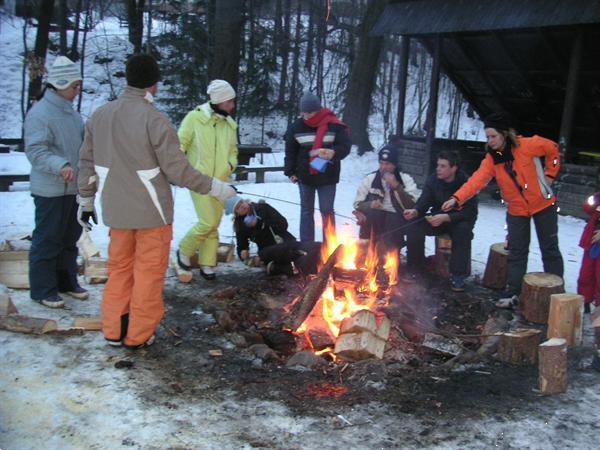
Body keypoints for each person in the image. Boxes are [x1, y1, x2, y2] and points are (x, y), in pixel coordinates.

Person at [77, 54, 236, 349]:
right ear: (154, 83)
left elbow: (86, 162)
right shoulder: (154, 119)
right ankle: (137, 335)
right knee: (148, 275)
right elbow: (178, 170)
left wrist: (86, 200)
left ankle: (114, 330)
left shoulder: (99, 115)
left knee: (120, 270)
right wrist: (216, 188)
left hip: (116, 211)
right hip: (152, 214)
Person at [441, 114, 563, 305]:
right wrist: (457, 198)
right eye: (487, 137)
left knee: (549, 248)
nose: (490, 141)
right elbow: (476, 181)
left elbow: (553, 150)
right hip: (516, 209)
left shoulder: (528, 145)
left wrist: (550, 174)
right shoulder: (492, 159)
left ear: (505, 134)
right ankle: (513, 291)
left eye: (493, 136)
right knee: (517, 251)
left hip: (543, 204)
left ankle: (557, 293)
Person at [24, 56, 88, 309]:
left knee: (70, 236)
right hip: (50, 189)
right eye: (74, 86)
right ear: (60, 85)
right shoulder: (40, 113)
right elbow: (36, 150)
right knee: (48, 238)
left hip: (72, 188)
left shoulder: (72, 114)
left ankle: (66, 282)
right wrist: (59, 165)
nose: (77, 90)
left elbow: (82, 145)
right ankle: (43, 289)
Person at [176, 79, 239, 281]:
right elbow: (179, 144)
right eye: (229, 101)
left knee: (215, 223)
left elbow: (233, 151)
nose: (232, 105)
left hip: (221, 182)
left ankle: (207, 262)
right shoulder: (194, 119)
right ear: (219, 100)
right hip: (199, 180)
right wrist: (183, 170)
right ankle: (184, 250)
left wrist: (230, 165)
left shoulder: (229, 124)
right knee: (207, 221)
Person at [403, 151, 478, 291]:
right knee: (414, 225)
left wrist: (447, 217)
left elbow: (470, 212)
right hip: (438, 218)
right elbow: (425, 201)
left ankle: (457, 275)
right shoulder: (433, 180)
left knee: (463, 231)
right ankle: (415, 268)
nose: (438, 169)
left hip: (458, 220)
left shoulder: (466, 183)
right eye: (438, 165)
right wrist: (416, 211)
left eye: (443, 166)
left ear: (454, 168)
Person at [284, 92, 351, 242]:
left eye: (310, 112)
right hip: (305, 176)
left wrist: (334, 152)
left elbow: (345, 146)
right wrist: (290, 172)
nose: (306, 115)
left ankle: (329, 245)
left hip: (328, 176)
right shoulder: (296, 127)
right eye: (304, 112)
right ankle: (307, 247)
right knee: (306, 211)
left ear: (318, 110)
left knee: (326, 210)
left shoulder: (334, 125)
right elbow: (290, 151)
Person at [226, 196, 321, 277]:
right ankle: (277, 267)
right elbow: (241, 245)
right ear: (236, 213)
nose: (242, 206)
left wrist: (260, 222)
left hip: (284, 242)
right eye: (238, 207)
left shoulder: (262, 208)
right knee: (299, 264)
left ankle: (275, 267)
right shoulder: (240, 225)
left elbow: (283, 224)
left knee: (312, 251)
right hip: (267, 251)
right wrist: (243, 252)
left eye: (241, 202)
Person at [353, 145, 419, 261]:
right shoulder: (371, 179)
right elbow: (358, 203)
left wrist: (397, 186)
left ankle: (389, 259)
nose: (384, 167)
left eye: (387, 164)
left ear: (394, 165)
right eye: (381, 163)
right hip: (376, 215)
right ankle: (364, 256)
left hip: (397, 216)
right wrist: (370, 205)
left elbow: (412, 205)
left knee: (392, 220)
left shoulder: (406, 180)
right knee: (373, 215)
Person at [577, 192, 600, 314]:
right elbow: (587, 208)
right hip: (591, 241)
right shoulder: (597, 197)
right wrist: (594, 200)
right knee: (586, 274)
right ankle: (584, 301)